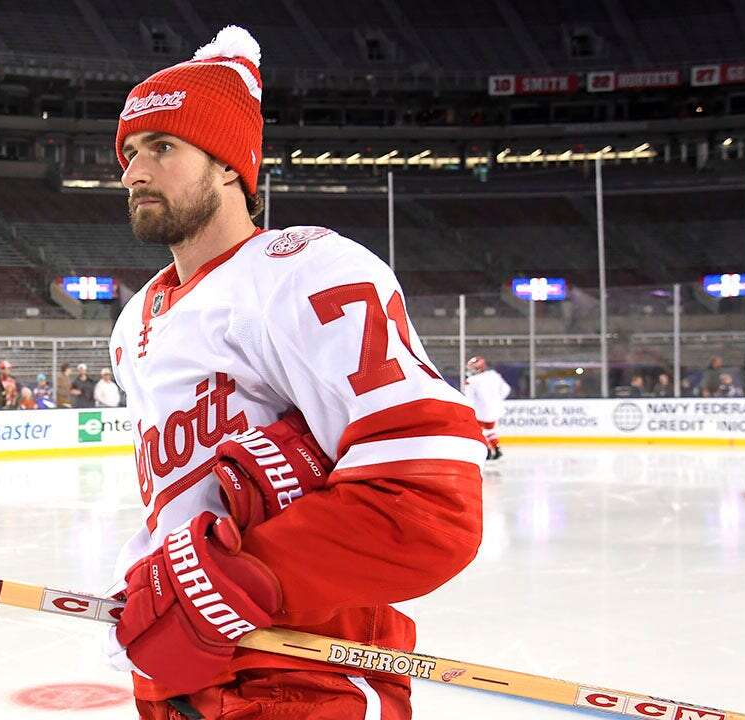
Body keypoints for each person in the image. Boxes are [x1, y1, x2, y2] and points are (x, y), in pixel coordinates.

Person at [102, 27, 483, 720]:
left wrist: (240, 578)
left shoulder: (305, 271)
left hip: (305, 675)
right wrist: (150, 582)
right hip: (180, 674)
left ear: (228, 166)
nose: (135, 172)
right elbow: (183, 505)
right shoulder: (135, 321)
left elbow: (429, 504)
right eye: (129, 153)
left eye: (162, 147)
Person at [463, 356, 511, 460]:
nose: (470, 370)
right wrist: (496, 400)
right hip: (495, 409)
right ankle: (496, 449)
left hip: (480, 411)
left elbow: (469, 398)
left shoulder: (471, 380)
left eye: (472, 368)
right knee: (490, 430)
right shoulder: (494, 375)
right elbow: (506, 389)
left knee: (479, 431)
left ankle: (487, 450)